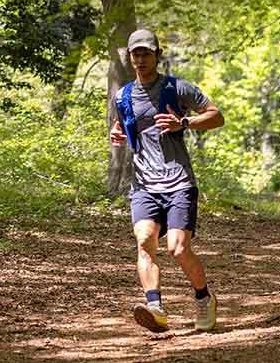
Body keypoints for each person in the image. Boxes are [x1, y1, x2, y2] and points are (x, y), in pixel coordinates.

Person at [108, 27, 224, 333]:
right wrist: (118, 134)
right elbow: (127, 128)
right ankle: (155, 308)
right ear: (130, 58)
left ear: (158, 55)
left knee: (177, 248)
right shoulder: (122, 96)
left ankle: (203, 298)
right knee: (145, 241)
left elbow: (216, 116)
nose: (141, 59)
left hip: (178, 182)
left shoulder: (178, 88)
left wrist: (184, 122)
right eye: (136, 54)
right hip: (144, 184)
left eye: (147, 53)